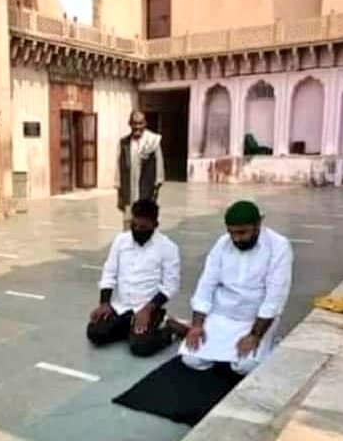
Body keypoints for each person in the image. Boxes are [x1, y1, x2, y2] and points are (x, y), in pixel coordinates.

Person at [178, 200, 293, 375]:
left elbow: (275, 298)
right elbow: (206, 285)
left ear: (258, 224)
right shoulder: (222, 243)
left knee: (244, 367)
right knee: (192, 359)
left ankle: (270, 343)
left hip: (255, 318)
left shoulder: (279, 246)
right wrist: (197, 325)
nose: (236, 239)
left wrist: (255, 335)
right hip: (221, 315)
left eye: (242, 232)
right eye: (231, 233)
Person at [87, 199, 186, 357]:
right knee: (95, 333)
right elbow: (109, 272)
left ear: (155, 225)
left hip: (147, 307)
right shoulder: (121, 241)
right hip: (120, 306)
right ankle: (132, 329)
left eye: (143, 227)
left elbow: (170, 286)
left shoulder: (168, 247)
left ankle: (170, 329)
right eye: (134, 225)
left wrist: (147, 310)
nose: (138, 230)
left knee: (141, 347)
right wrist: (104, 303)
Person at [115, 111, 165, 230]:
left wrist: (156, 187)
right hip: (129, 190)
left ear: (145, 124)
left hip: (146, 190)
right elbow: (118, 167)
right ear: (129, 124)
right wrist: (119, 193)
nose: (137, 127)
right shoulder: (124, 143)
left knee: (145, 223)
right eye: (134, 123)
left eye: (140, 123)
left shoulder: (153, 141)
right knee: (128, 223)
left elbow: (159, 166)